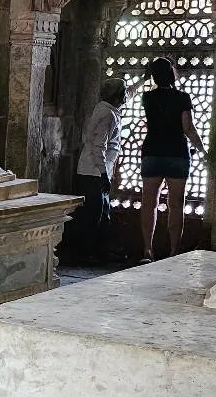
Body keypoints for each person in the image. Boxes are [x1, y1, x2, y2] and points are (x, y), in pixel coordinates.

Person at [72, 75, 145, 263]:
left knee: (102, 213)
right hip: (94, 172)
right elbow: (99, 147)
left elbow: (129, 93)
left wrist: (143, 80)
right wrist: (104, 174)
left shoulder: (105, 109)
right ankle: (88, 253)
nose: (125, 97)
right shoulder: (107, 115)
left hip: (94, 171)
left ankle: (98, 251)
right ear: (115, 96)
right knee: (94, 215)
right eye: (122, 94)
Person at [138, 57, 205, 262]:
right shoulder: (183, 98)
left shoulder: (147, 97)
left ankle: (147, 251)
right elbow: (188, 128)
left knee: (149, 203)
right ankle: (174, 251)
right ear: (172, 74)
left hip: (152, 151)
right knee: (176, 204)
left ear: (154, 76)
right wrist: (202, 151)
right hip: (177, 153)